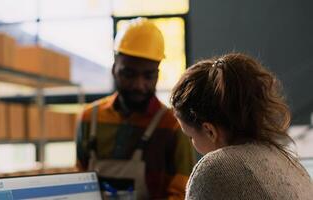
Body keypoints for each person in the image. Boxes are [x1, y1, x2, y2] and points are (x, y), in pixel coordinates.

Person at [76, 18, 196, 199]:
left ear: (158, 73)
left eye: (148, 76)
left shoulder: (173, 125)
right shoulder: (88, 119)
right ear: (114, 68)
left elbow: (182, 194)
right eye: (129, 74)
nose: (139, 85)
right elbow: (79, 186)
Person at [171, 53, 313, 200]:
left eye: (190, 136)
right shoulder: (291, 165)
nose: (192, 143)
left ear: (209, 131)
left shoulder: (214, 169)